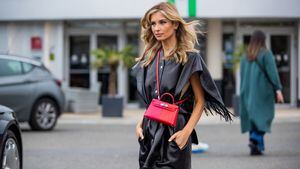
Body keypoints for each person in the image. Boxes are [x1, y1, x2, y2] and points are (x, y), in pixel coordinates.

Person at [132, 2, 232, 169]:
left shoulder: (190, 58)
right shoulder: (149, 59)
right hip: (149, 129)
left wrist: (186, 133)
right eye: (153, 24)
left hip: (175, 130)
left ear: (175, 24)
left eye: (162, 22)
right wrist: (140, 124)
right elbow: (153, 100)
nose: (157, 28)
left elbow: (200, 101)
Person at [240, 30, 284, 156]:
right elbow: (273, 74)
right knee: (265, 116)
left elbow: (242, 75)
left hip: (247, 92)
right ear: (263, 40)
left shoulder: (245, 56)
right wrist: (278, 89)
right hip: (262, 92)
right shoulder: (266, 54)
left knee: (253, 119)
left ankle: (256, 147)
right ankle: (255, 139)